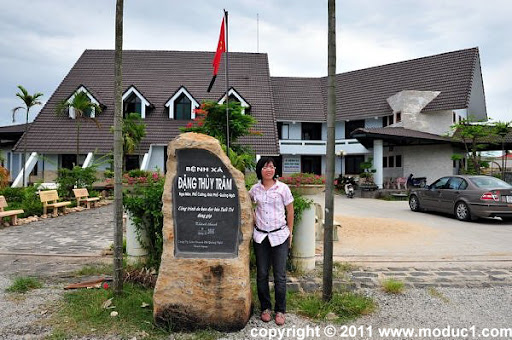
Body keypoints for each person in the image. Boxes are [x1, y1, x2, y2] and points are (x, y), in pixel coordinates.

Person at [249, 157, 294, 326]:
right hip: (261, 236)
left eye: (271, 167)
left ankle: (280, 310)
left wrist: (290, 233)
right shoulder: (254, 190)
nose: (269, 170)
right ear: (260, 170)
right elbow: (247, 205)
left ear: (275, 170)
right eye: (265, 167)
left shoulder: (283, 188)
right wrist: (253, 217)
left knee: (280, 275)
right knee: (262, 274)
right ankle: (265, 308)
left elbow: (290, 212)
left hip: (280, 236)